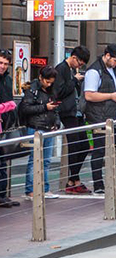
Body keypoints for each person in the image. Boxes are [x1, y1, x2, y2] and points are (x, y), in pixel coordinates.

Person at [84, 44, 116, 194]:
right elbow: (89, 95)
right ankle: (98, 185)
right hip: (101, 117)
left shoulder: (115, 70)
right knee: (99, 151)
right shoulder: (94, 71)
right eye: (115, 60)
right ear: (107, 55)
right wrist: (111, 96)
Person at [54, 45, 91, 194]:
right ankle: (73, 180)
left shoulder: (71, 70)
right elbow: (59, 91)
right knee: (75, 145)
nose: (80, 66)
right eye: (80, 63)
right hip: (68, 112)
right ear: (74, 58)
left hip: (77, 112)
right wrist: (74, 81)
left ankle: (73, 179)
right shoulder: (61, 69)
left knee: (84, 146)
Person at [21, 66, 61, 200]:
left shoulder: (51, 91)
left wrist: (56, 123)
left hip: (48, 128)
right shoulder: (32, 90)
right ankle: (31, 190)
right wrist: (45, 107)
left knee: (46, 160)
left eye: (51, 82)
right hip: (35, 127)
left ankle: (45, 188)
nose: (49, 84)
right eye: (47, 81)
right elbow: (25, 108)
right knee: (34, 160)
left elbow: (55, 110)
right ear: (41, 78)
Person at [0, 50, 18, 208]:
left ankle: (2, 195)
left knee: (2, 161)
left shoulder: (7, 80)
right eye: (0, 63)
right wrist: (8, 106)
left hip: (3, 126)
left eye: (6, 64)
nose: (3, 66)